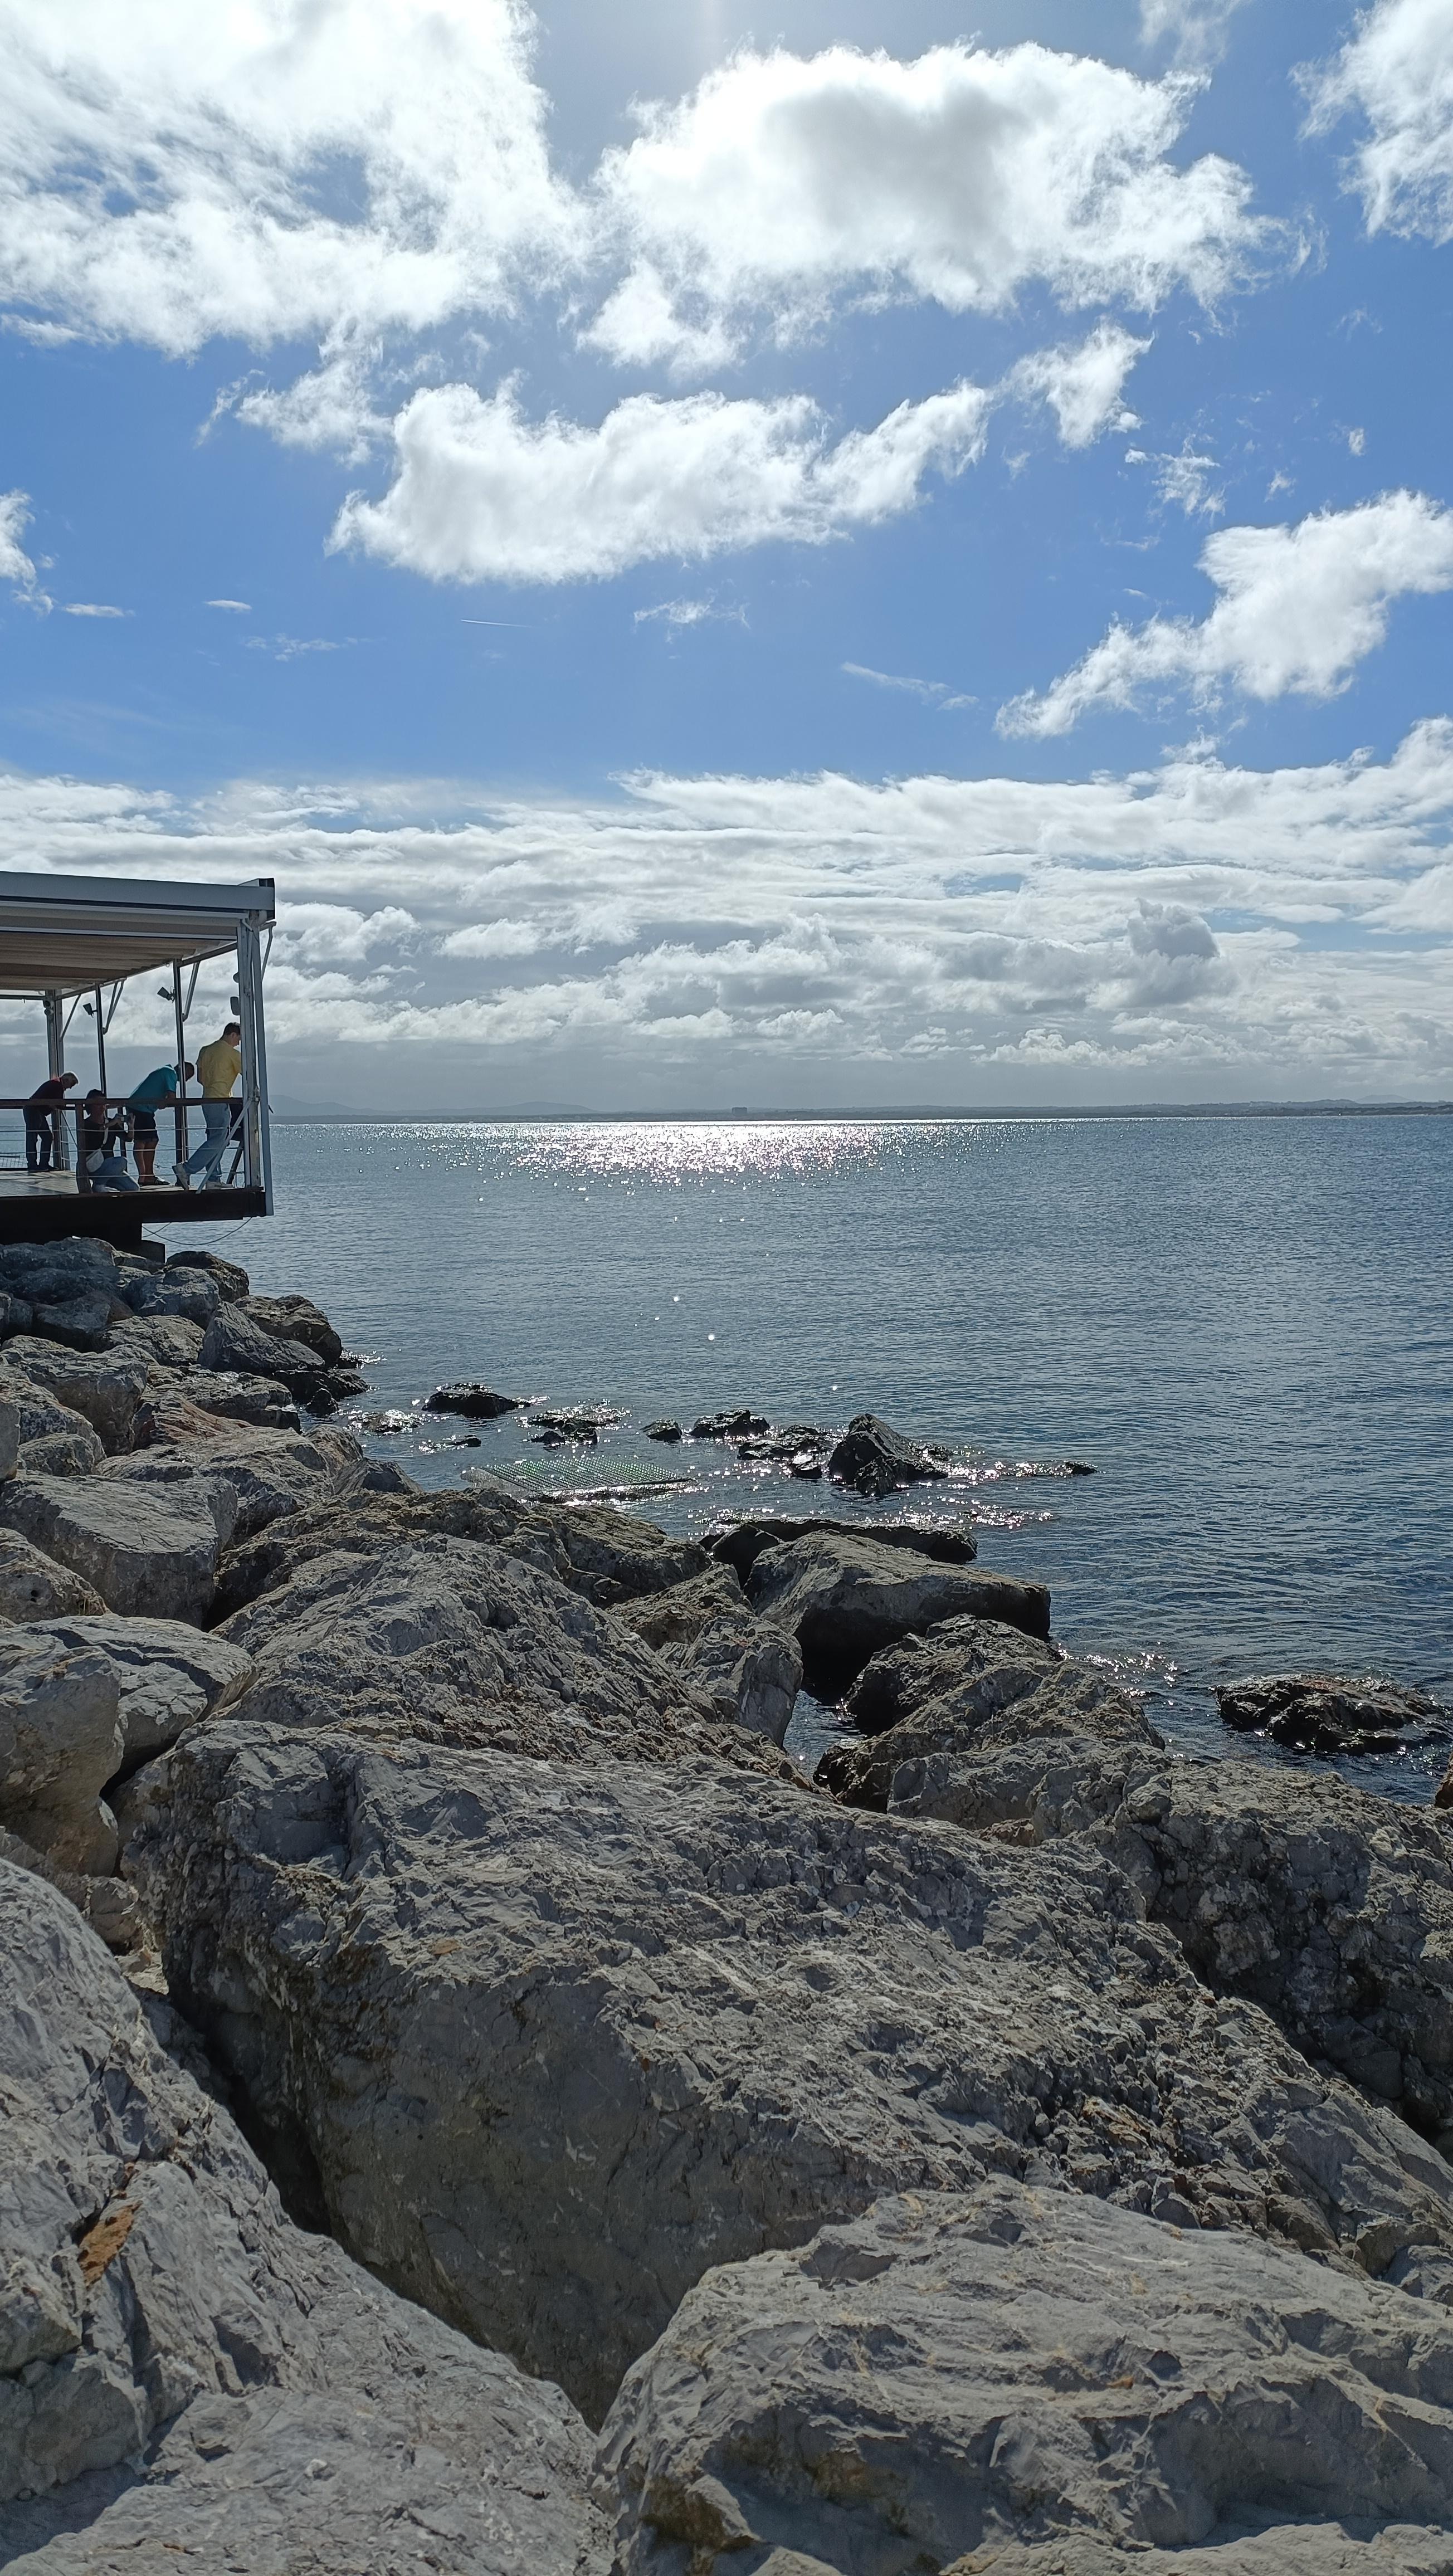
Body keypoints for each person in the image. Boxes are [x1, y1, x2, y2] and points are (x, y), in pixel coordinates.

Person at [177, 1020, 242, 1189]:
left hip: (207, 1100)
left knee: (215, 1140)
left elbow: (201, 1079)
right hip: (221, 1100)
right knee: (219, 1141)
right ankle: (187, 1168)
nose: (238, 1043)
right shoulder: (232, 1054)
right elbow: (248, 1072)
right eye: (238, 1039)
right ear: (233, 1035)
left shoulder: (205, 1050)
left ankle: (213, 1178)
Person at [126, 1060, 193, 1188]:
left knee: (148, 1140)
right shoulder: (170, 1073)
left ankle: (147, 1175)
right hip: (141, 1108)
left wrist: (164, 1102)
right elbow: (172, 1098)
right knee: (144, 1140)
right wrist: (167, 1102)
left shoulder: (166, 1071)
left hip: (141, 1107)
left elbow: (165, 1100)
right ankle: (145, 1176)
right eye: (189, 1075)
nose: (187, 1080)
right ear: (183, 1069)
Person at [79, 1089, 137, 1192]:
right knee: (122, 1161)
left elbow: (128, 1138)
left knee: (134, 1188)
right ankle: (99, 1185)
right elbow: (98, 1130)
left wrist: (131, 1127)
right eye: (98, 1104)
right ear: (90, 1106)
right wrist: (112, 1123)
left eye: (104, 1104)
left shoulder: (111, 1123)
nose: (102, 1107)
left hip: (109, 1168)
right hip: (94, 1166)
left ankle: (102, 1184)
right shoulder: (86, 1124)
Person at [24, 1070, 76, 1170]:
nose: (70, 1087)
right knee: (34, 1137)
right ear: (66, 1080)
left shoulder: (55, 1084)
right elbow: (60, 1103)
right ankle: (33, 1165)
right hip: (34, 1110)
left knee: (45, 1137)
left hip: (36, 1110)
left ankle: (42, 1164)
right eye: (72, 1084)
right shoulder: (57, 1086)